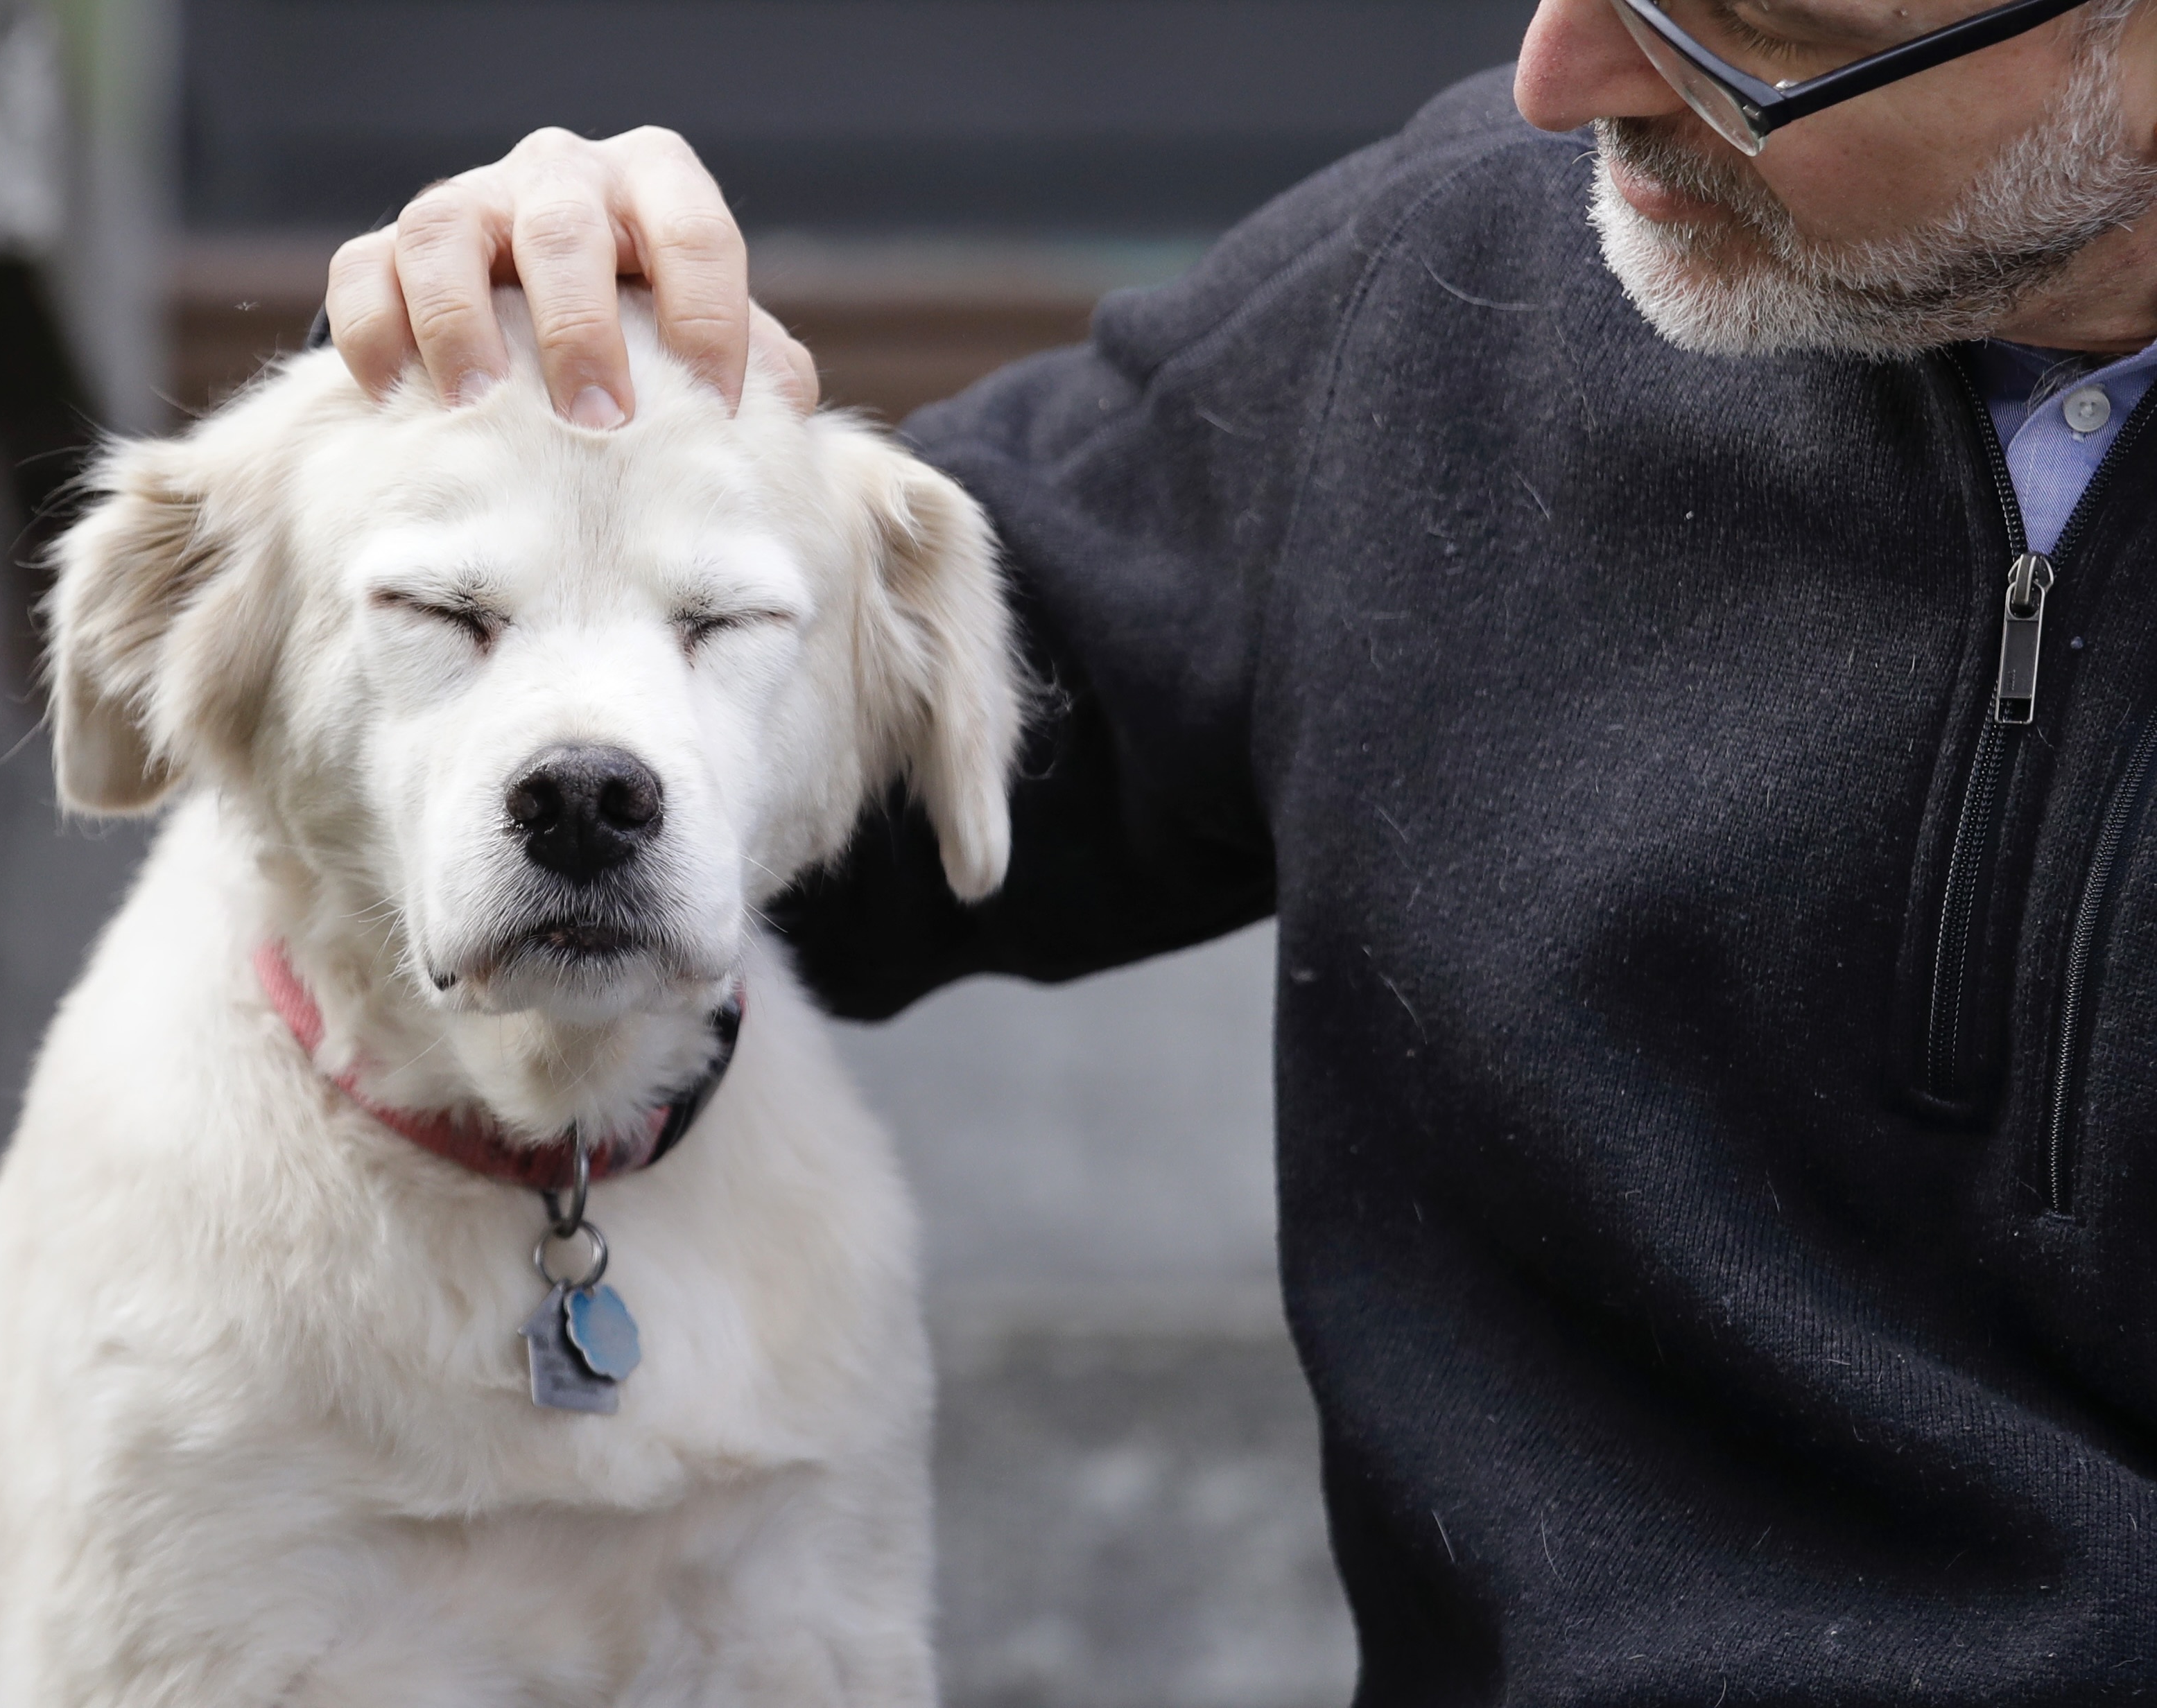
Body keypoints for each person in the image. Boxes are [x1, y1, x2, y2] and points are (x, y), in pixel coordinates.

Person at [322, 0, 2157, 1700]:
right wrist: (557, 452)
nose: (1560, 78)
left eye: (1745, 26)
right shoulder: (1455, 283)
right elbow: (809, 792)